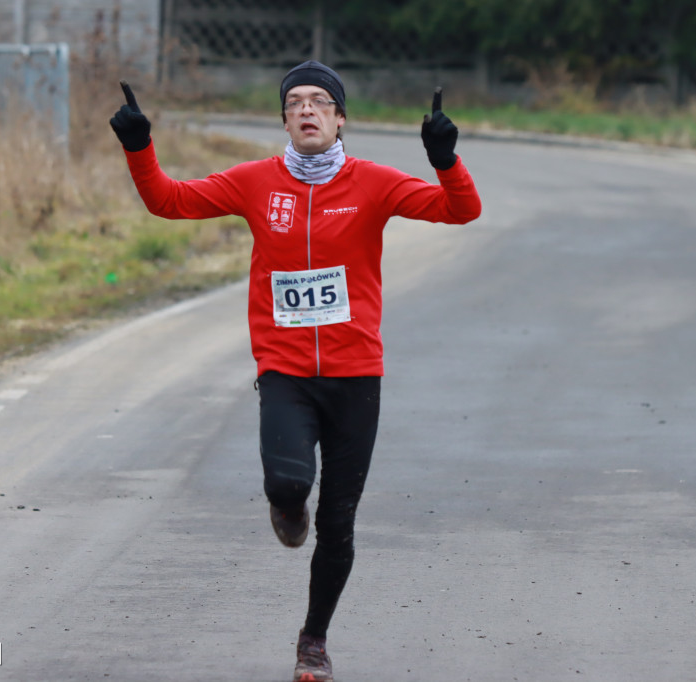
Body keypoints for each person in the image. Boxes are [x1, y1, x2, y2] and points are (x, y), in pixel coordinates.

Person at [111, 60, 481, 682]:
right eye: (295, 102)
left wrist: (444, 159)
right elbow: (167, 201)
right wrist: (139, 146)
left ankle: (314, 640)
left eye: (320, 102)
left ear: (339, 119)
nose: (307, 110)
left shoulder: (375, 183)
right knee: (287, 487)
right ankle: (288, 505)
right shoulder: (256, 182)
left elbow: (460, 211)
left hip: (356, 375)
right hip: (285, 370)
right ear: (284, 119)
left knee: (338, 523)